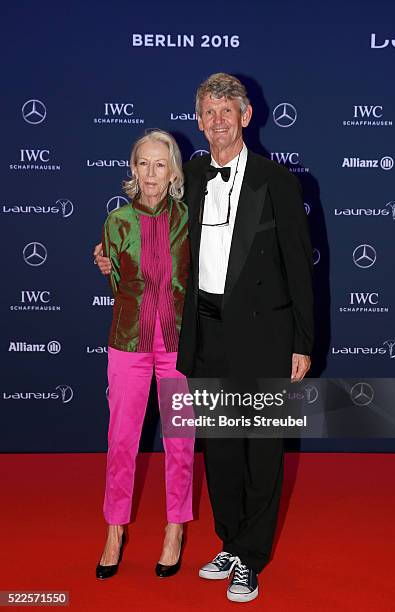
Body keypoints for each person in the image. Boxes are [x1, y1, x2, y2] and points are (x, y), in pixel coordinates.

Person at [95, 73, 314, 603]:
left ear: (246, 117)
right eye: (209, 112)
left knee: (261, 449)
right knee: (218, 450)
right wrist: (107, 257)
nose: (218, 120)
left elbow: (300, 268)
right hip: (205, 332)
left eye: (227, 111)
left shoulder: (277, 181)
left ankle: (252, 558)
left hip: (266, 333)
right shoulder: (189, 176)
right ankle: (231, 543)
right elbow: (148, 226)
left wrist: (303, 341)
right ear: (199, 121)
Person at [95, 129, 194, 581]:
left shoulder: (189, 219)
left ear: (173, 170)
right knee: (121, 442)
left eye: (160, 165)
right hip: (129, 343)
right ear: (132, 169)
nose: (150, 174)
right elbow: (119, 286)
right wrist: (104, 262)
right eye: (142, 164)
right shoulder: (116, 223)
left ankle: (175, 527)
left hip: (178, 346)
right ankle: (115, 531)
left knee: (180, 443)